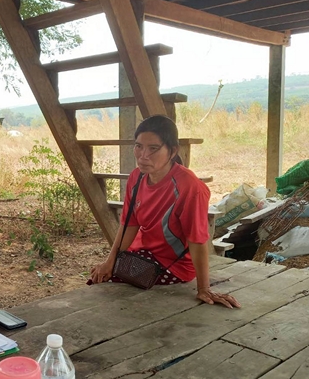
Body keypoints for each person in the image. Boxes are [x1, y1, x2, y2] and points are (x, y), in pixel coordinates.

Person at [90, 115, 240, 309]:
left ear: (173, 151)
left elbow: (197, 239)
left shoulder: (189, 187)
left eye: (153, 148)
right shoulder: (136, 178)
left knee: (109, 289)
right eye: (138, 146)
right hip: (142, 254)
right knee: (99, 277)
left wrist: (204, 288)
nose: (143, 155)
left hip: (173, 265)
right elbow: (129, 225)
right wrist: (110, 262)